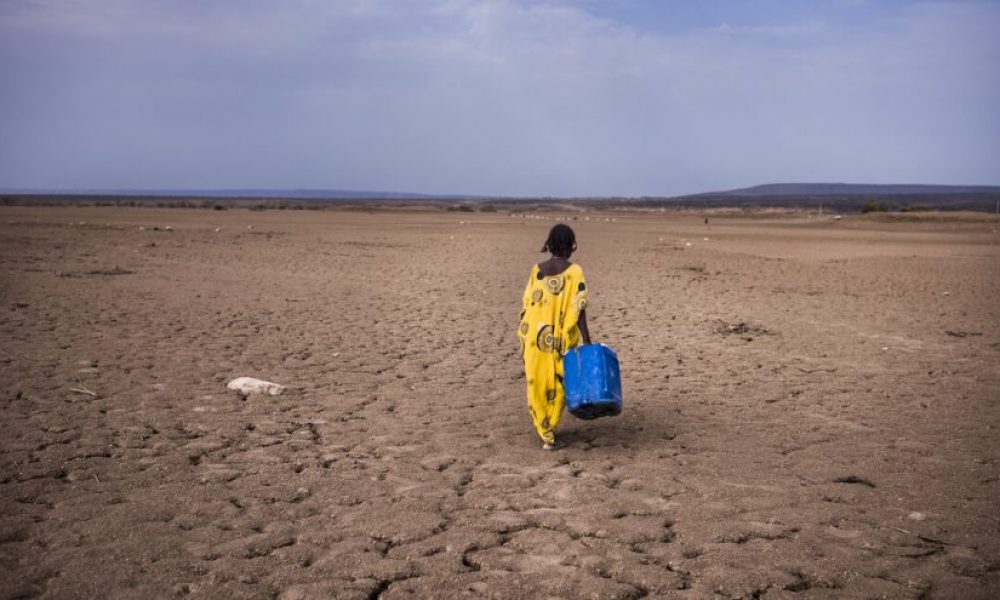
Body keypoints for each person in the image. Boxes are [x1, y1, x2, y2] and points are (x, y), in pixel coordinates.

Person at [517, 224, 591, 450]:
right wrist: (587, 340)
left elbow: (526, 305)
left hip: (534, 338)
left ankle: (544, 429)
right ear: (571, 245)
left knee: (537, 382)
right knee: (559, 382)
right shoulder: (574, 272)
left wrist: (526, 335)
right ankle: (549, 430)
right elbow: (579, 308)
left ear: (549, 243)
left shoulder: (536, 270)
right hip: (558, 340)